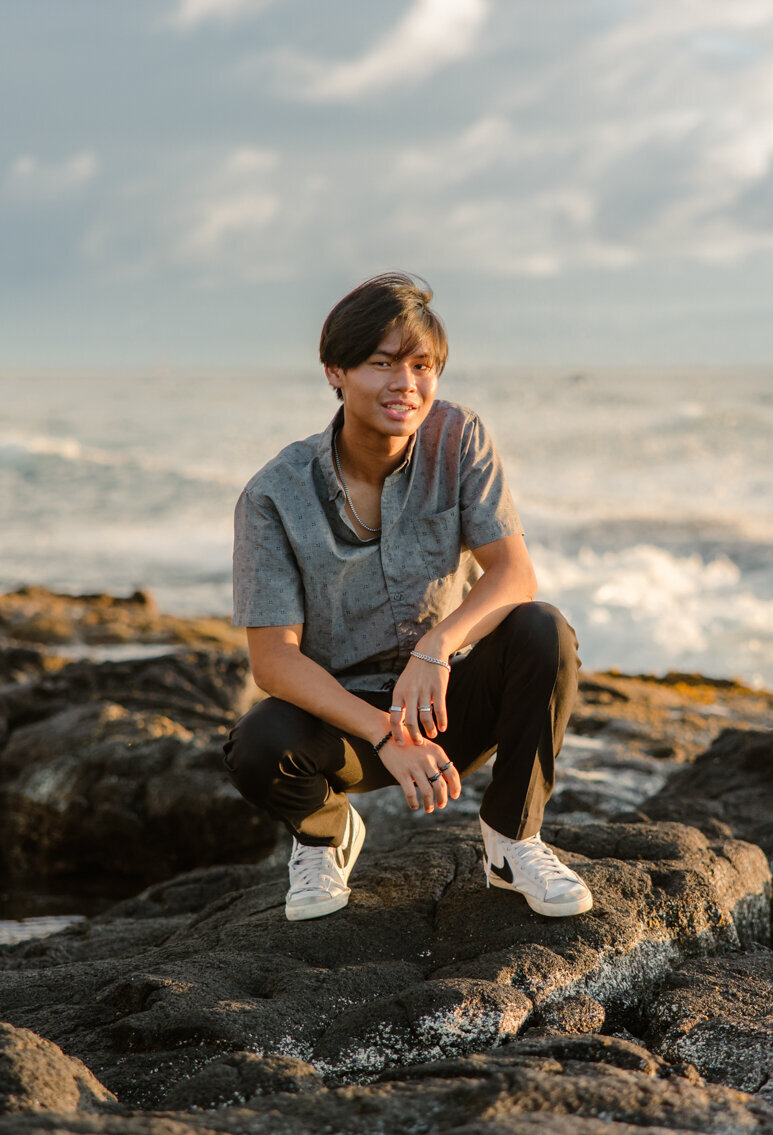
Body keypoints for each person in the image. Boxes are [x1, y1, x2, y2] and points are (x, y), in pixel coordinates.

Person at [224, 272, 592, 922]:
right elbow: (272, 662)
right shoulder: (274, 496)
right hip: (348, 725)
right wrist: (383, 731)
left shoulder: (460, 437)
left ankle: (512, 840)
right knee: (258, 743)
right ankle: (325, 835)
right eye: (382, 363)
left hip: (446, 699)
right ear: (336, 371)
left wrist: (437, 646)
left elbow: (513, 573)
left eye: (423, 366)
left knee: (543, 629)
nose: (407, 384)